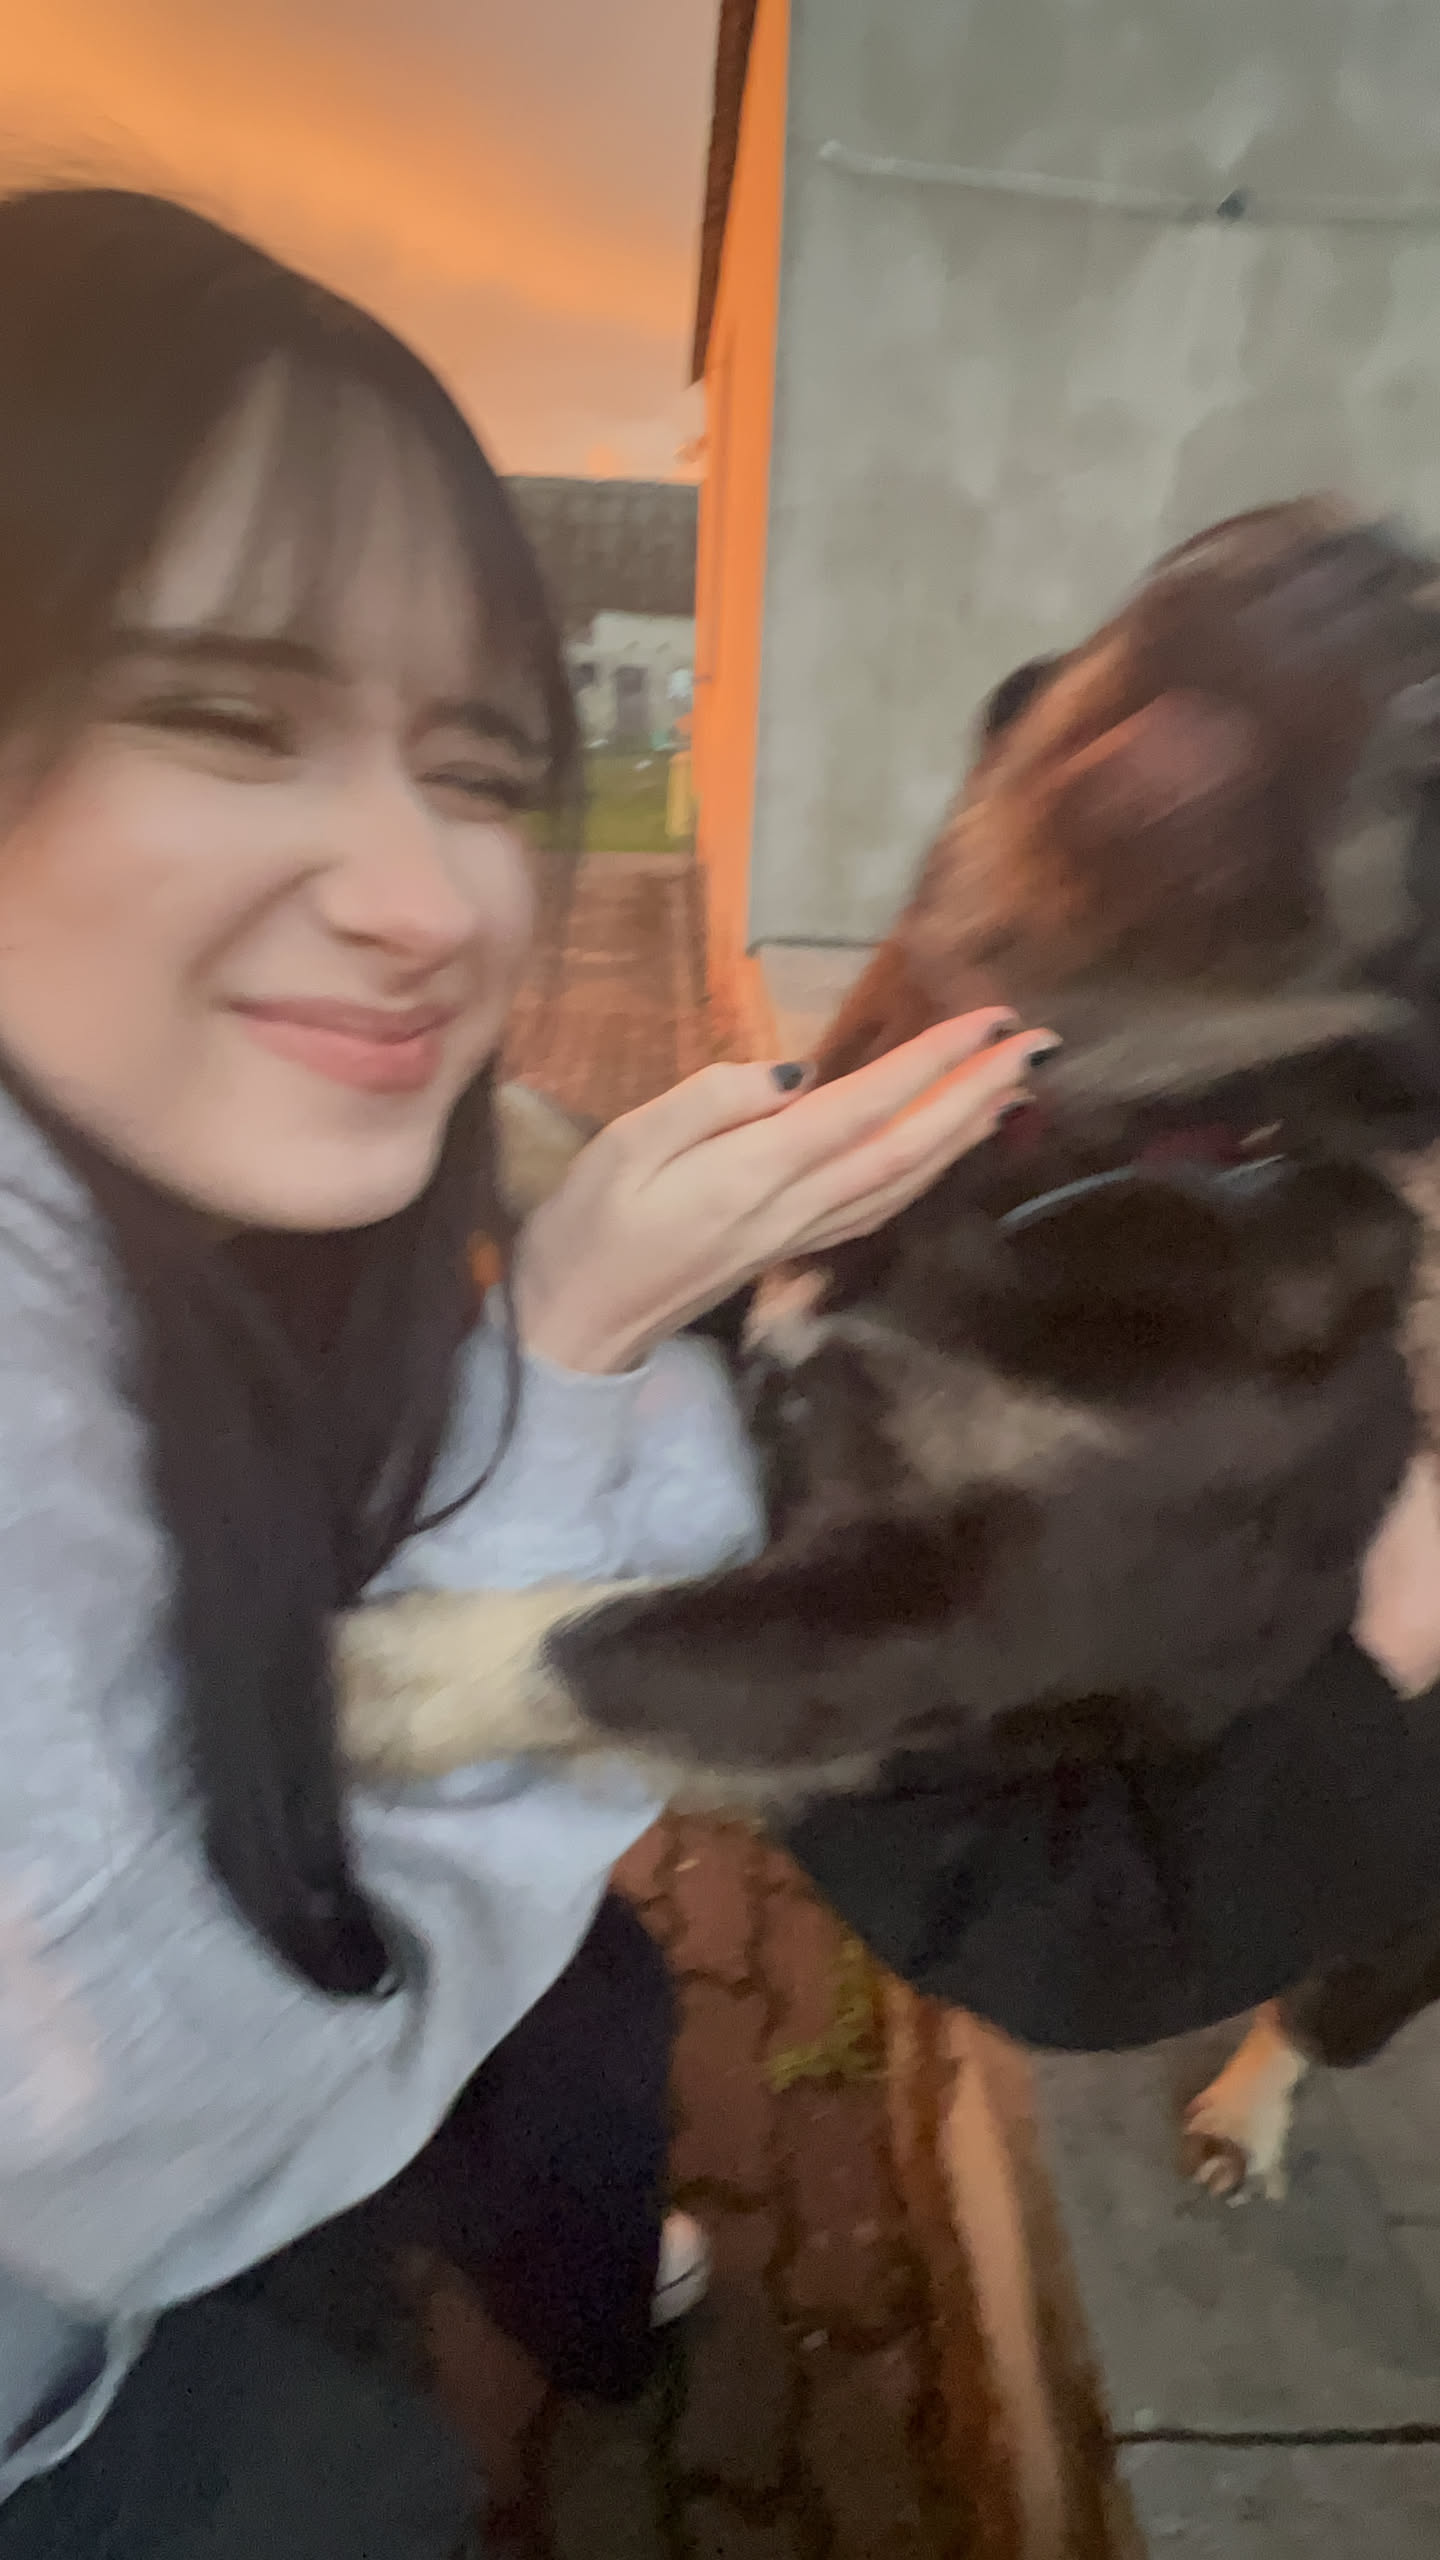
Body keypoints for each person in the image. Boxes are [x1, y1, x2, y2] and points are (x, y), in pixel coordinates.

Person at [0, 185, 1436, 2560]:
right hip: (160, 2344)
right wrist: (583, 1332)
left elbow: (958, 1685)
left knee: (571, 2063)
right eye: (227, 714)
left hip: (804, 1884)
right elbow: (209, 2068)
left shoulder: (200, 1152)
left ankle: (595, 2271)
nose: (418, 893)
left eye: (481, 759)